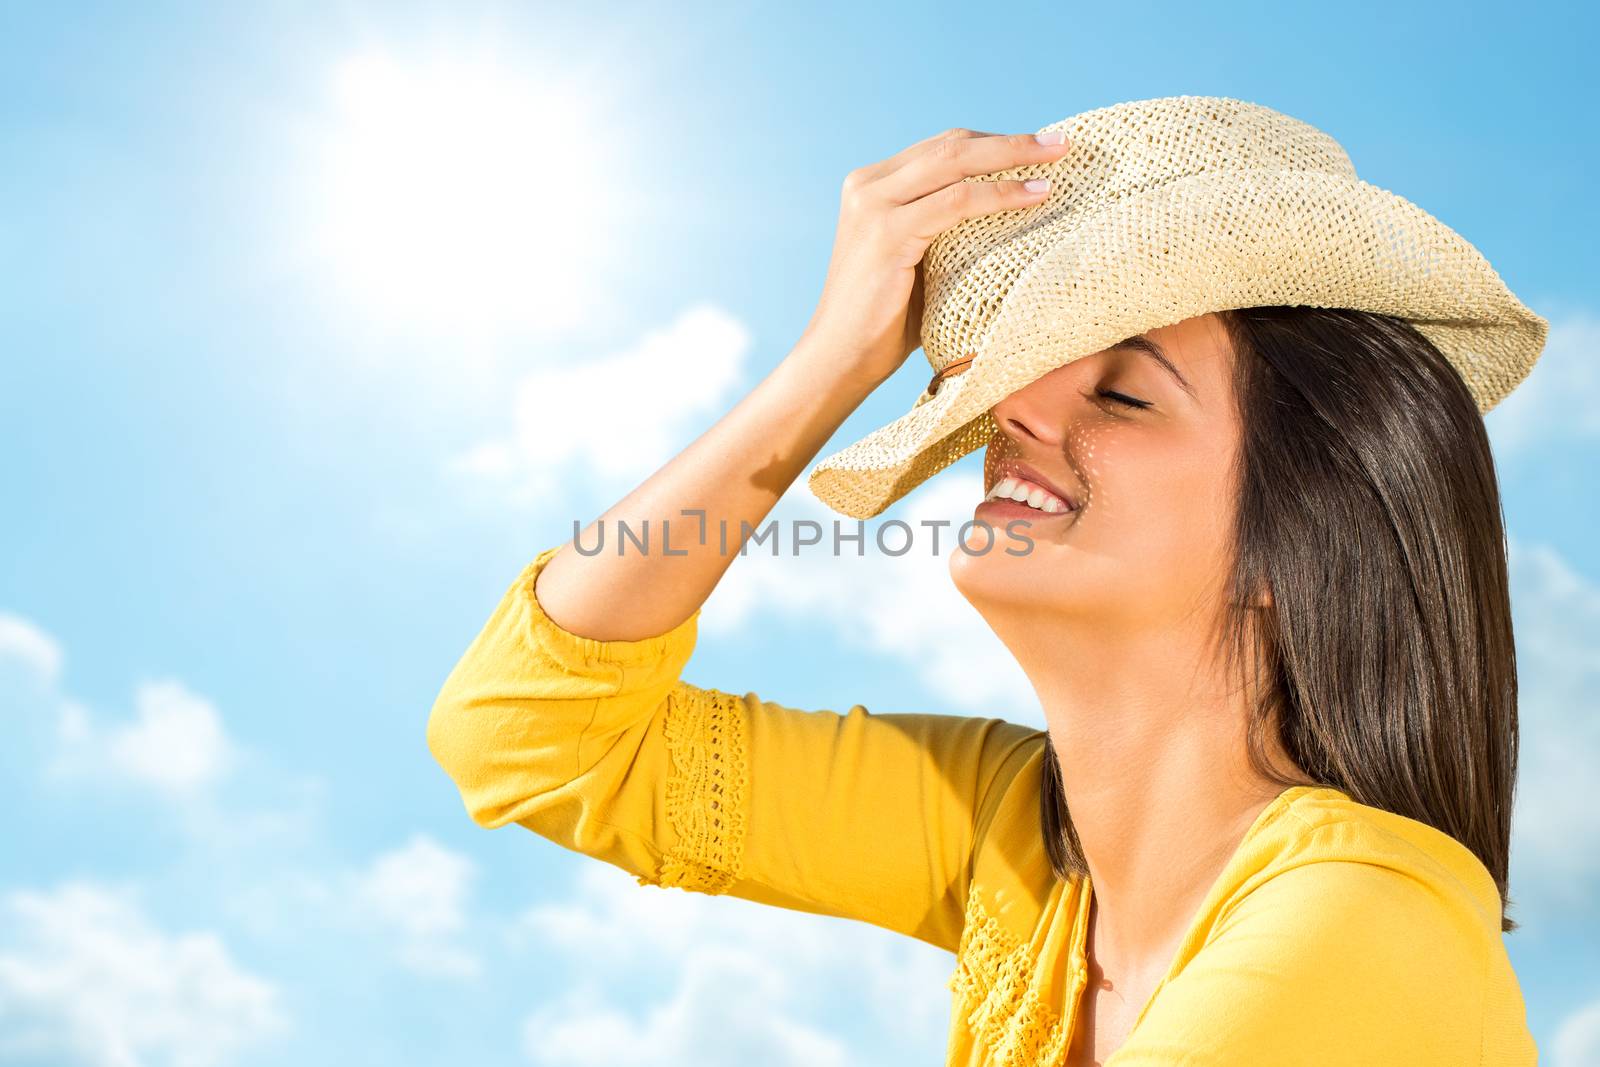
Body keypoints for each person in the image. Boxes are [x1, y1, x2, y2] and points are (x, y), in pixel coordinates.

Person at [427, 104, 1540, 1065]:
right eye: (1022, 372)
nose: (1009, 410)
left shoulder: (1365, 919)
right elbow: (532, 733)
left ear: (1295, 545)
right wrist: (830, 363)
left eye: (1124, 395)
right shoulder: (1012, 834)